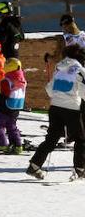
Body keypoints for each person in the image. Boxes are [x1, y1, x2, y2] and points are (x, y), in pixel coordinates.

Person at [27, 45, 85, 180]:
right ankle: (80, 169)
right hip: (72, 109)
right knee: (81, 139)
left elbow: (49, 89)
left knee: (51, 139)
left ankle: (34, 166)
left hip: (55, 108)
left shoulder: (59, 68)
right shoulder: (80, 70)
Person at [0, 58, 27, 154]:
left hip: (5, 106)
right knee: (11, 126)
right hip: (16, 106)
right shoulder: (22, 80)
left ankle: (1, 143)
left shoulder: (7, 80)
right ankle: (17, 145)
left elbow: (5, 93)